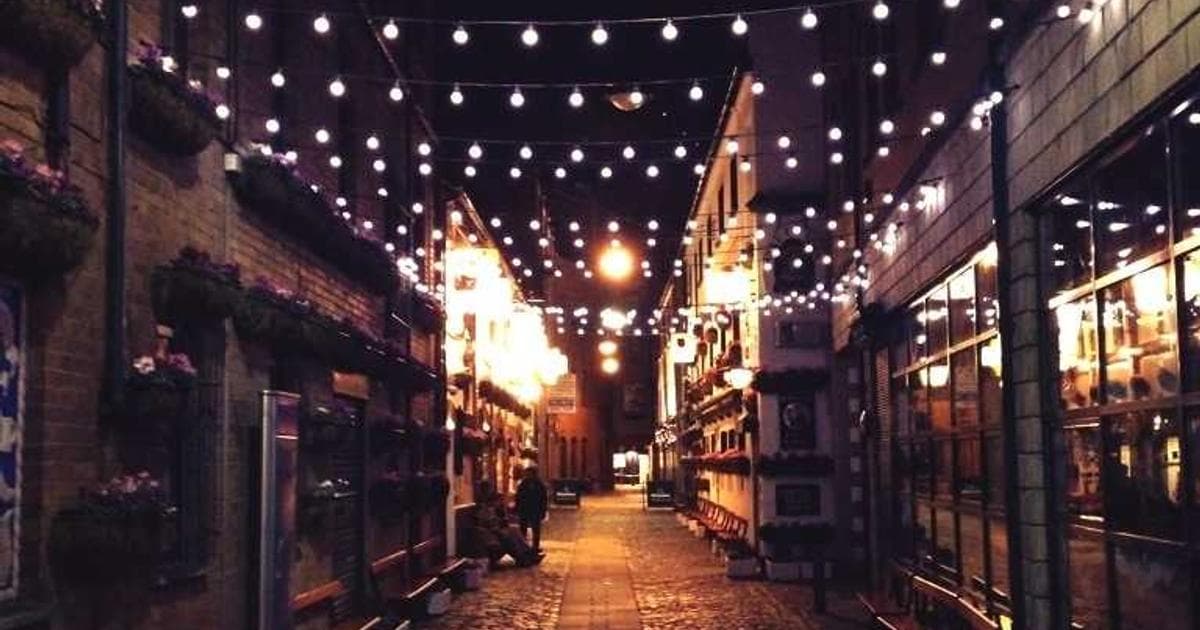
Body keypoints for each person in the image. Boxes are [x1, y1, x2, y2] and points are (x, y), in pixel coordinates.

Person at [473, 480, 541, 568]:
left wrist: (501, 522)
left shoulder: (490, 506)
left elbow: (497, 520)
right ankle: (523, 557)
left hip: (493, 530)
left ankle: (528, 553)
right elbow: (484, 523)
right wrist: (498, 529)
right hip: (488, 532)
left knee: (514, 531)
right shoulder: (481, 507)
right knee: (507, 537)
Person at [515, 466, 548, 552]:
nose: (527, 475)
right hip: (525, 509)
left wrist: (543, 510)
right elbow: (518, 497)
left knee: (536, 529)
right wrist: (518, 508)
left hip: (535, 510)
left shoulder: (539, 484)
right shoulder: (523, 483)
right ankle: (523, 546)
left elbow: (543, 498)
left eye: (529, 473)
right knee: (523, 528)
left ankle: (535, 546)